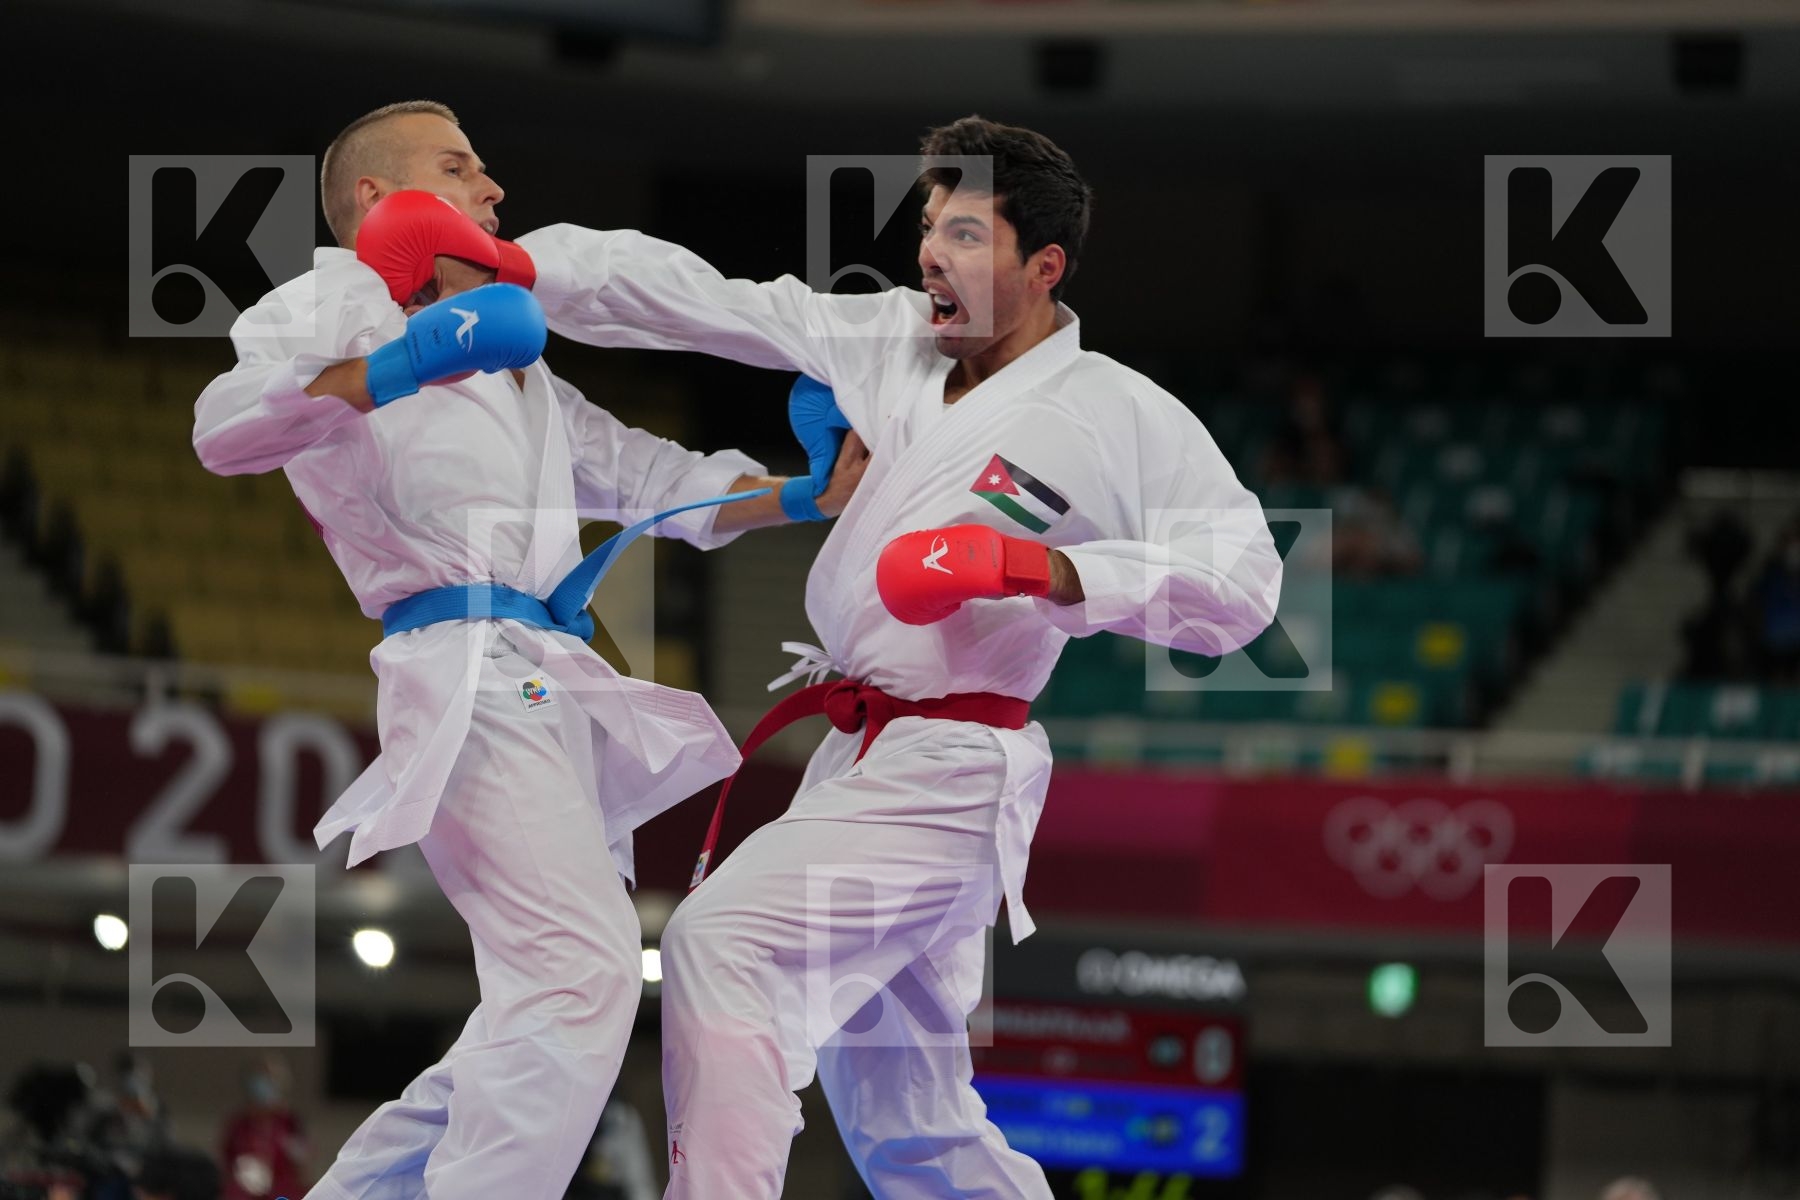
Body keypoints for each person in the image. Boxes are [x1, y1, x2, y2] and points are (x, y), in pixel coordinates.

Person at [494, 114, 1282, 1197]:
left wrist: (1045, 574)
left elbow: (1245, 585)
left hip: (957, 765)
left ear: (1042, 266)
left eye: (964, 232)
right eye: (928, 227)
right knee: (904, 1118)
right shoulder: (892, 340)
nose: (929, 254)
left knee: (720, 940)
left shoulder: (1116, 414)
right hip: (860, 755)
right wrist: (520, 264)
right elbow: (708, 300)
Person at [192, 100, 866, 1200]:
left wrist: (802, 492)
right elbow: (220, 430)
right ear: (378, 197)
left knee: (538, 1003)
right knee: (580, 971)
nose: (494, 190)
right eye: (460, 168)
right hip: (458, 660)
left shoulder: (517, 354)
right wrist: (398, 364)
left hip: (552, 675)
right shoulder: (334, 302)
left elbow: (655, 481)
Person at [218, 1057, 306, 1200]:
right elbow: (225, 1165)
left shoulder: (290, 1123)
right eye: (260, 1078)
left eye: (270, 1078)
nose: (264, 1084)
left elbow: (300, 1166)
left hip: (281, 1194)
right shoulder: (237, 1124)